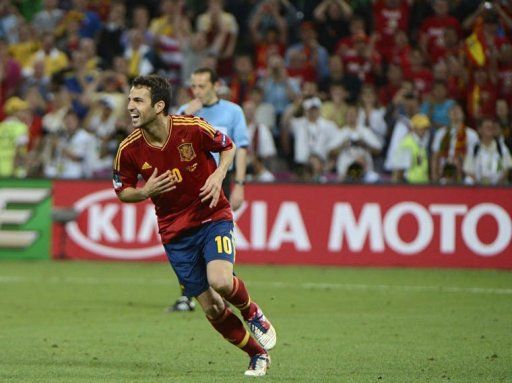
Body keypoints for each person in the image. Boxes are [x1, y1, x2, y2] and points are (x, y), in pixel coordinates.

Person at [113, 75, 275, 376]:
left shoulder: (192, 127)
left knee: (221, 280)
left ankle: (252, 311)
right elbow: (122, 190)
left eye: (138, 100)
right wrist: (144, 192)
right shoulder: (129, 149)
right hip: (175, 234)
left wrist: (219, 175)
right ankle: (257, 354)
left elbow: (228, 147)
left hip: (212, 216)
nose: (130, 106)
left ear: (158, 105)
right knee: (212, 307)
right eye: (130, 100)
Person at [167, 67, 250, 312]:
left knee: (214, 235)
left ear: (216, 85)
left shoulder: (233, 112)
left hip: (220, 181)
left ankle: (225, 286)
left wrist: (240, 185)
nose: (198, 91)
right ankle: (187, 296)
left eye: (203, 85)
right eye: (195, 86)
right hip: (188, 183)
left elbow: (241, 148)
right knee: (185, 236)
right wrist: (184, 115)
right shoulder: (184, 113)